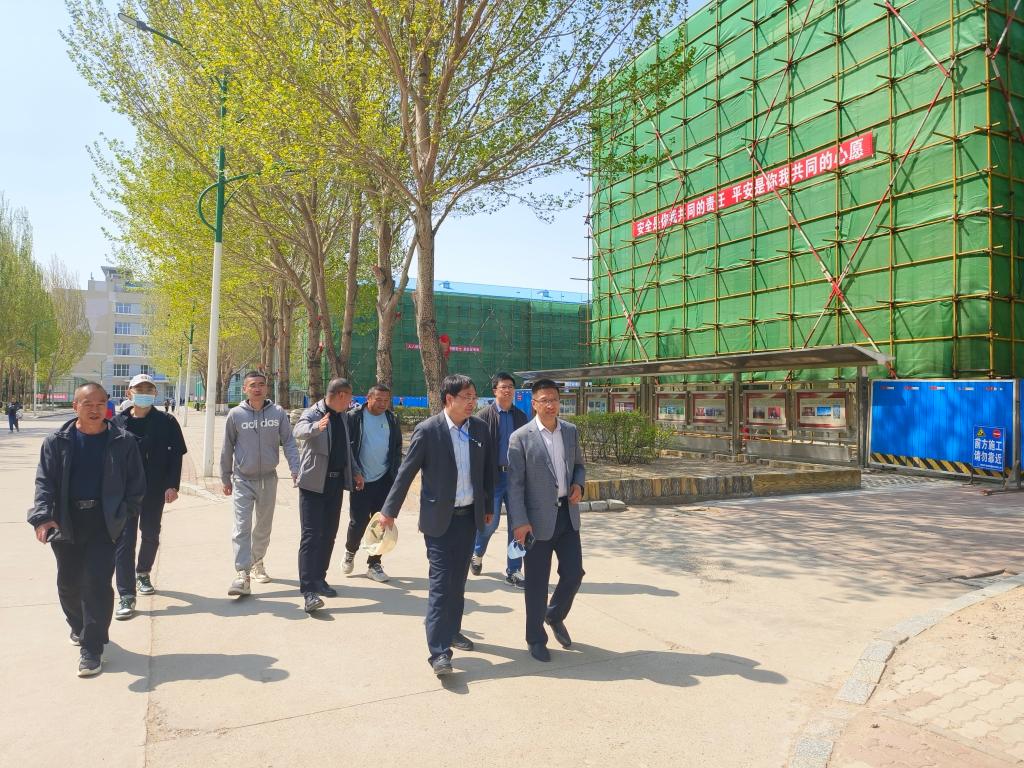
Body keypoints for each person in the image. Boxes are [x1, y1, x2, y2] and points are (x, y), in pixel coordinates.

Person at [379, 374, 494, 676]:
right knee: (441, 585)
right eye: (466, 397)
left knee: (458, 583)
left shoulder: (480, 428)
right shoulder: (428, 430)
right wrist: (389, 511)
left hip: (468, 518)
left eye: (474, 397)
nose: (472, 402)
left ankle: (452, 631)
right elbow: (406, 473)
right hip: (439, 521)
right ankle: (439, 653)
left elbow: (487, 472)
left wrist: (488, 507)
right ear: (449, 399)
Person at [28, 382, 145, 677]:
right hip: (66, 521)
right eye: (87, 404)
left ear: (107, 406)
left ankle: (92, 648)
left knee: (96, 583)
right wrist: (42, 517)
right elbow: (44, 483)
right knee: (68, 584)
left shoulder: (123, 441)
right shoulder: (57, 442)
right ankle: (79, 626)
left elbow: (136, 483)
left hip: (104, 522)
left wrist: (125, 514)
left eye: (100, 404)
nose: (95, 409)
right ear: (75, 406)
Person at [507, 378, 586, 663]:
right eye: (545, 400)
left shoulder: (570, 431)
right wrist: (519, 522)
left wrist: (578, 484)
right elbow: (514, 485)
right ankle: (535, 638)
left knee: (574, 573)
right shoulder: (520, 437)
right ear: (534, 404)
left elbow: (579, 465)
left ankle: (554, 615)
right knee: (537, 583)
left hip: (567, 515)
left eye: (554, 399)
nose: (551, 405)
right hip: (535, 521)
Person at [112, 374, 187, 620]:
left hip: (155, 489)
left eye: (148, 389)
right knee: (125, 540)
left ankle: (143, 572)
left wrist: (172, 485)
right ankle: (126, 594)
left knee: (151, 533)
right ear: (129, 393)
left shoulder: (167, 421)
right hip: (124, 492)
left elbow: (176, 455)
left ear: (155, 394)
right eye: (139, 388)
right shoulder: (116, 422)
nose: (143, 392)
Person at [220, 371, 300, 597]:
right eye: (253, 385)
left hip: (268, 479)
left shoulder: (278, 413)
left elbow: (289, 442)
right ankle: (242, 573)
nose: (257, 388)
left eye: (261, 384)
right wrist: (225, 477)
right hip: (242, 479)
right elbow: (227, 447)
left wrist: (295, 468)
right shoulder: (235, 414)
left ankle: (257, 562)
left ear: (267, 388)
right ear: (245, 389)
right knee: (241, 527)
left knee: (263, 526)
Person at [293, 378, 359, 613]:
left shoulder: (343, 417)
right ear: (341, 395)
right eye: (349, 397)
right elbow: (298, 430)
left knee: (329, 534)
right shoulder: (313, 413)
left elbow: (347, 449)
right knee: (311, 536)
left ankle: (320, 579)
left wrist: (355, 471)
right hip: (312, 484)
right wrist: (316, 428)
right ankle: (308, 591)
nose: (351, 401)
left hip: (335, 483)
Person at [470, 372, 529, 587]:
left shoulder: (521, 416)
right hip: (493, 478)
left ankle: (514, 570)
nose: (508, 390)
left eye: (511, 387)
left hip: (515, 478)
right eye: (503, 387)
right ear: (495, 390)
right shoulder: (483, 416)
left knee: (518, 524)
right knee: (489, 524)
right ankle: (477, 553)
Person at [343, 382, 403, 583]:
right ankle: (350, 551)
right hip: (361, 480)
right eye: (378, 399)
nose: (383, 403)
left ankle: (374, 563)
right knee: (358, 522)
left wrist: (395, 474)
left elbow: (397, 448)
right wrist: (355, 472)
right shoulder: (354, 417)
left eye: (386, 400)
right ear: (368, 398)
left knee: (381, 523)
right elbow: (347, 448)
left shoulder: (391, 419)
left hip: (385, 480)